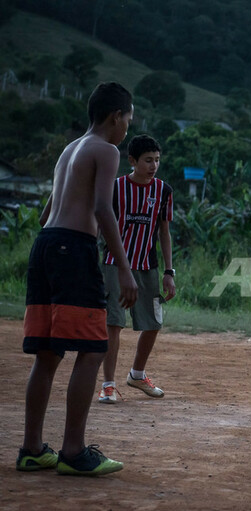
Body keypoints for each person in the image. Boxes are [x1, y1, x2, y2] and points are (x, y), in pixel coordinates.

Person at [17, 82, 137, 476]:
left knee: (48, 353)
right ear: (116, 117)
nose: (127, 128)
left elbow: (46, 213)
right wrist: (124, 268)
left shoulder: (70, 149)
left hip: (45, 245)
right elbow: (102, 207)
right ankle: (73, 451)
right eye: (128, 119)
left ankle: (32, 449)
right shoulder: (106, 149)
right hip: (73, 249)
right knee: (93, 348)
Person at [97, 134, 175, 404]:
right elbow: (101, 225)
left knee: (153, 323)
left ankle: (137, 375)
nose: (154, 165)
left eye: (157, 160)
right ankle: (108, 385)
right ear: (132, 160)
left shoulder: (163, 191)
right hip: (115, 265)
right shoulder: (115, 188)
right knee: (114, 323)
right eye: (148, 160)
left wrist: (169, 271)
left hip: (147, 267)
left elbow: (164, 231)